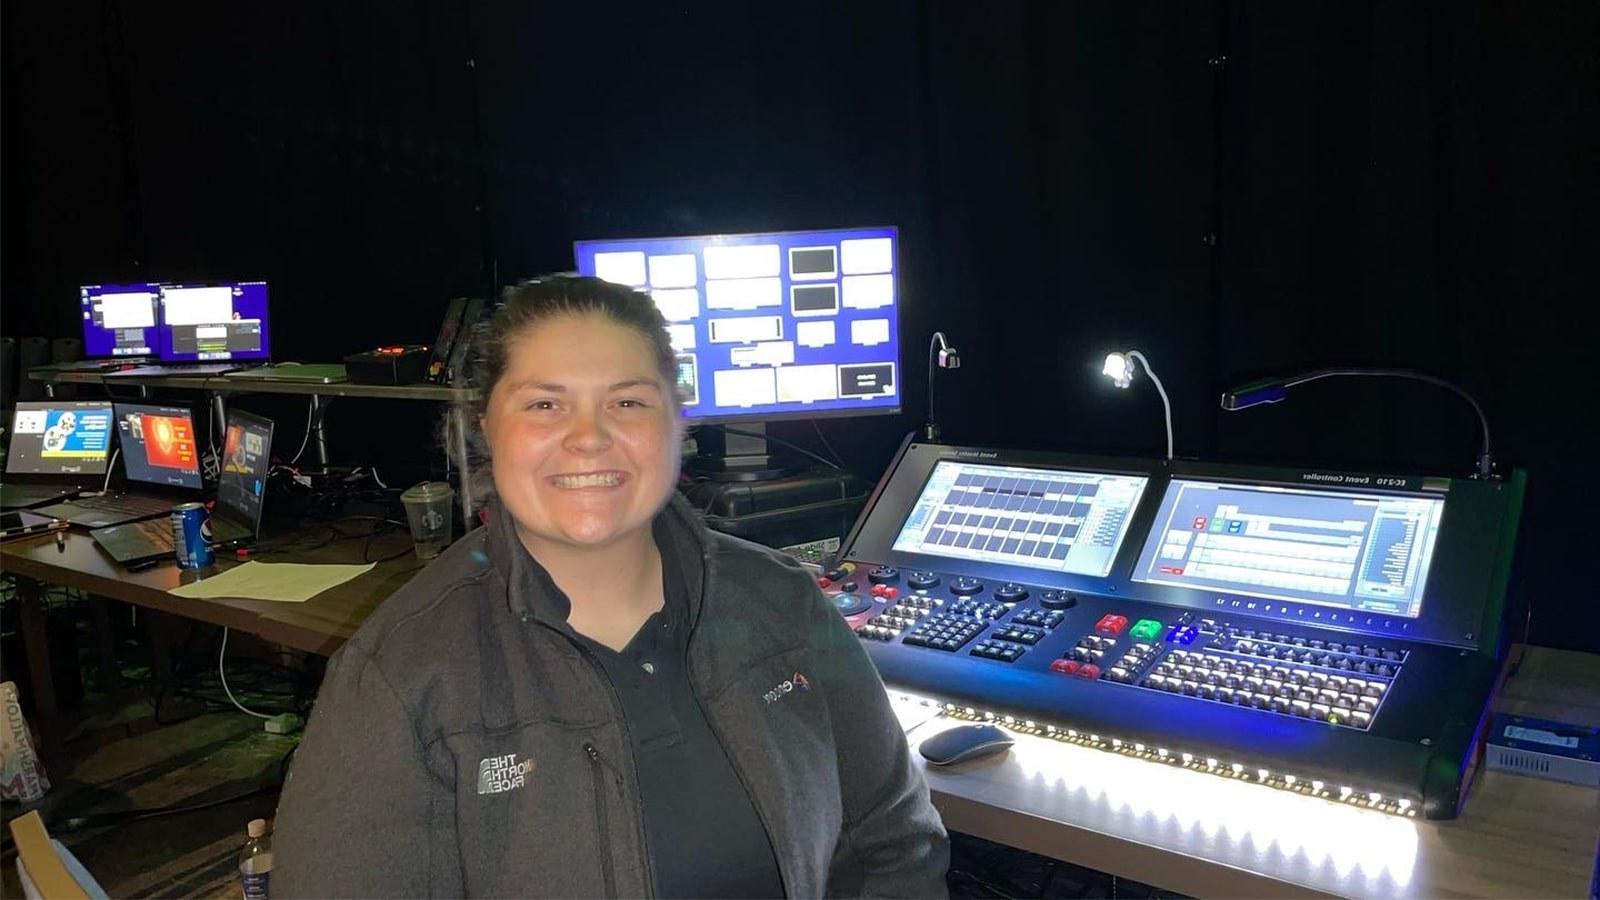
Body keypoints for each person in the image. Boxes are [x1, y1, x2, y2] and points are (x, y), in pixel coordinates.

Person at [272, 275, 949, 897]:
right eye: (544, 404)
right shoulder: (398, 677)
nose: (588, 437)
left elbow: (894, 847)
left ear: (676, 421)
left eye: (627, 401)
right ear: (484, 427)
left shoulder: (786, 605)